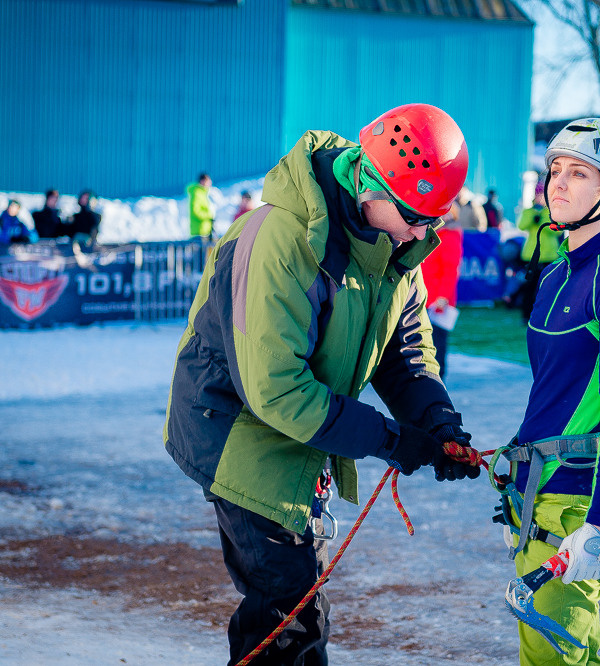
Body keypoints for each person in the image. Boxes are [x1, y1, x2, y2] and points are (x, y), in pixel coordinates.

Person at [163, 103, 482, 666]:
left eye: (436, 218)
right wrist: (393, 441)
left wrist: (436, 421)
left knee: (296, 606)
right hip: (238, 432)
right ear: (370, 184)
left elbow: (405, 350)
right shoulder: (281, 240)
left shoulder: (398, 244)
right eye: (416, 216)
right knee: (289, 611)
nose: (425, 232)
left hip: (303, 428)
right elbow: (277, 390)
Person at [503, 118, 600, 665]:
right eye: (554, 170)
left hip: (576, 502)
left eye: (578, 173)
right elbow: (550, 392)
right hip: (533, 494)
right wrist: (514, 477)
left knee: (552, 660)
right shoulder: (552, 276)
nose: (558, 184)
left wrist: (596, 526)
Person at [420, 202, 464, 377]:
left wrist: (443, 297)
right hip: (427, 295)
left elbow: (451, 269)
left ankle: (436, 378)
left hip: (437, 300)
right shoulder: (433, 233)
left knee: (437, 343)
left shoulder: (450, 236)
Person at [515, 179, 561, 322]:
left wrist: (542, 219)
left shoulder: (552, 212)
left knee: (548, 288)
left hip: (549, 255)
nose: (540, 197)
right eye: (538, 194)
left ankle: (546, 316)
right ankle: (526, 315)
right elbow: (522, 226)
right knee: (529, 287)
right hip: (531, 255)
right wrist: (532, 216)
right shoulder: (528, 211)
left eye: (543, 194)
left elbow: (557, 231)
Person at [188, 173, 216, 238]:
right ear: (202, 181)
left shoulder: (203, 193)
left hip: (205, 231)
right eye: (208, 181)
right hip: (199, 231)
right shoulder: (196, 193)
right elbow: (195, 211)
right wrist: (209, 216)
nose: (210, 183)